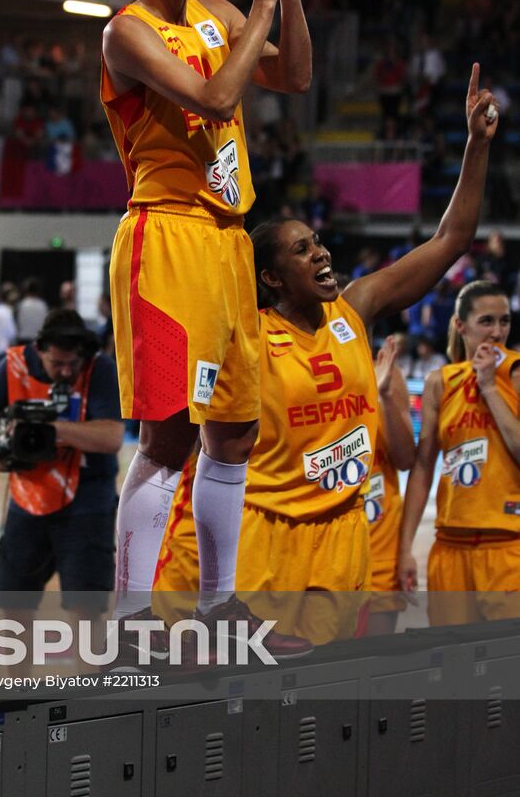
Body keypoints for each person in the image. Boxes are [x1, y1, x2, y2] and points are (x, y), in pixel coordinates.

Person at [157, 64, 499, 644]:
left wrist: (475, 147)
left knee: (316, 698)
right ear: (270, 278)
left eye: (316, 242)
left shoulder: (355, 309)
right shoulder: (246, 334)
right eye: (300, 250)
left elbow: (450, 241)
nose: (320, 254)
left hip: (342, 531)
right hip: (265, 528)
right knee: (244, 693)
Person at [88, 0, 313, 659]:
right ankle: (128, 621)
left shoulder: (220, 12)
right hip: (167, 238)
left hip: (227, 242)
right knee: (168, 436)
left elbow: (295, 80)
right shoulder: (128, 33)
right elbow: (221, 98)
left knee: (237, 432)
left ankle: (219, 611)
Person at [0, 309, 123, 612]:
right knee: (13, 607)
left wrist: (51, 429)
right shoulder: (15, 364)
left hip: (88, 503)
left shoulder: (100, 368)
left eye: (72, 364)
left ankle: (88, 662)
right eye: (57, 363)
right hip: (27, 500)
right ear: (39, 351)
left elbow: (112, 437)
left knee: (86, 609)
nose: (65, 371)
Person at [398, 280, 520, 627]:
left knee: (508, 670)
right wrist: (405, 549)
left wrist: (489, 387)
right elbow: (422, 469)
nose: (497, 332)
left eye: (505, 321)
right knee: (453, 669)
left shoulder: (515, 373)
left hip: (508, 545)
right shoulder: (442, 381)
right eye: (487, 321)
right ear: (460, 325)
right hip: (449, 546)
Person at [365, 336, 416, 636]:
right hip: (317, 555)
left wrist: (384, 395)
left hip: (379, 553)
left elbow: (406, 458)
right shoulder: (293, 367)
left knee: (374, 669)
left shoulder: (386, 372)